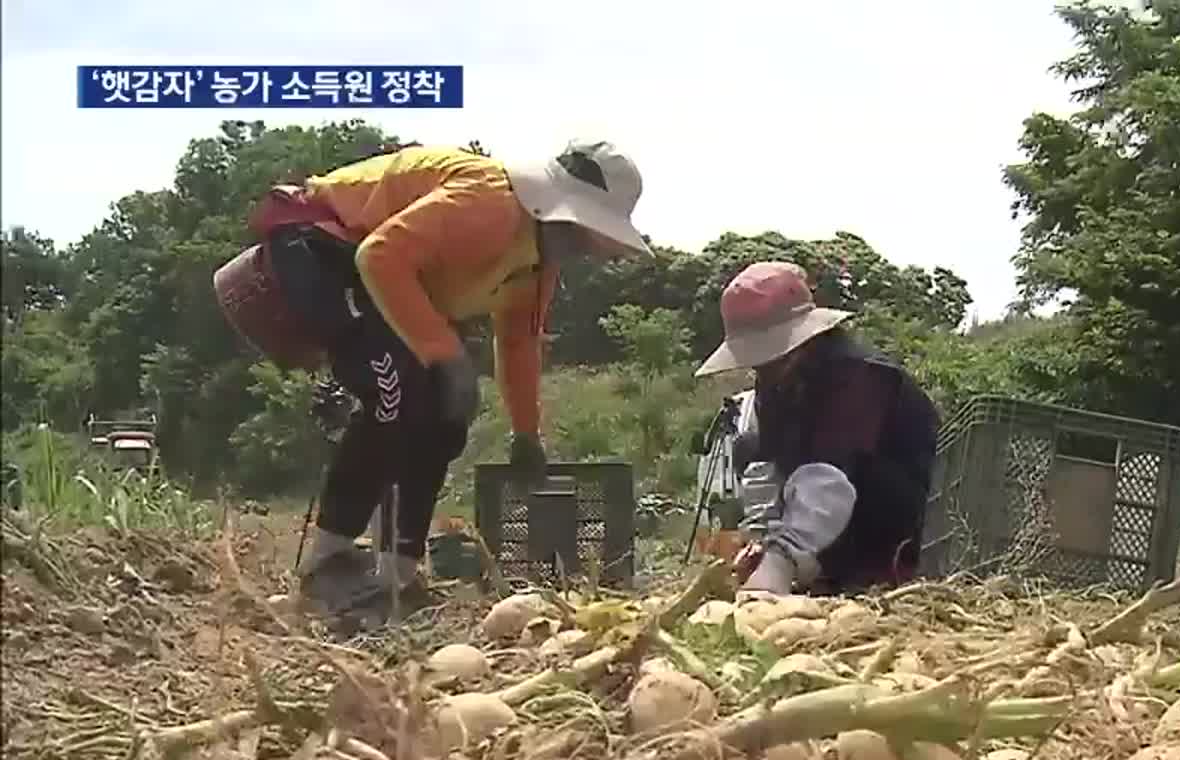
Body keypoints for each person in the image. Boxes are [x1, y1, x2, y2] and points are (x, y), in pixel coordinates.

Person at [214, 139, 651, 616]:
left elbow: (519, 343)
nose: (585, 248)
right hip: (319, 248)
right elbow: (380, 256)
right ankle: (327, 560)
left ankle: (397, 569)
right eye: (585, 232)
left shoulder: (534, 270)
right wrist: (445, 356)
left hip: (369, 273)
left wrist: (527, 433)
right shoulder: (490, 203)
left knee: (446, 414)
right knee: (396, 389)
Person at [694, 261, 940, 597]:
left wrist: (784, 556)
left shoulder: (861, 377)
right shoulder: (775, 382)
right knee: (748, 446)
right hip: (826, 537)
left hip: (893, 535)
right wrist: (761, 541)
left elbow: (829, 480)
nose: (764, 366)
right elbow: (767, 467)